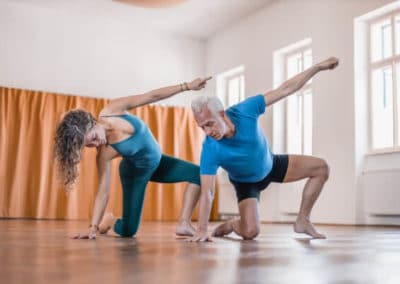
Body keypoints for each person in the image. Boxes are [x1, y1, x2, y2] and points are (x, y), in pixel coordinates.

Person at [188, 57, 339, 242]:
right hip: (246, 183)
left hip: (271, 165)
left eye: (209, 124)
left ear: (222, 113)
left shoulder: (245, 110)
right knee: (250, 233)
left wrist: (316, 68)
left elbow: (285, 89)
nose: (207, 132)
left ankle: (303, 220)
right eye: (202, 127)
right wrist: (202, 229)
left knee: (322, 168)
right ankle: (232, 224)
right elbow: (208, 191)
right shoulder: (210, 148)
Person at [54, 77, 211, 239]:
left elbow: (152, 96)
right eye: (89, 145)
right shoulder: (104, 153)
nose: (95, 143)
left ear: (92, 123)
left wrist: (187, 86)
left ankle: (183, 223)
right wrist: (93, 228)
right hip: (134, 174)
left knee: (199, 175)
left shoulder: (112, 111)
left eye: (93, 137)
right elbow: (103, 191)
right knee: (129, 231)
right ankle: (109, 221)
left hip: (157, 162)